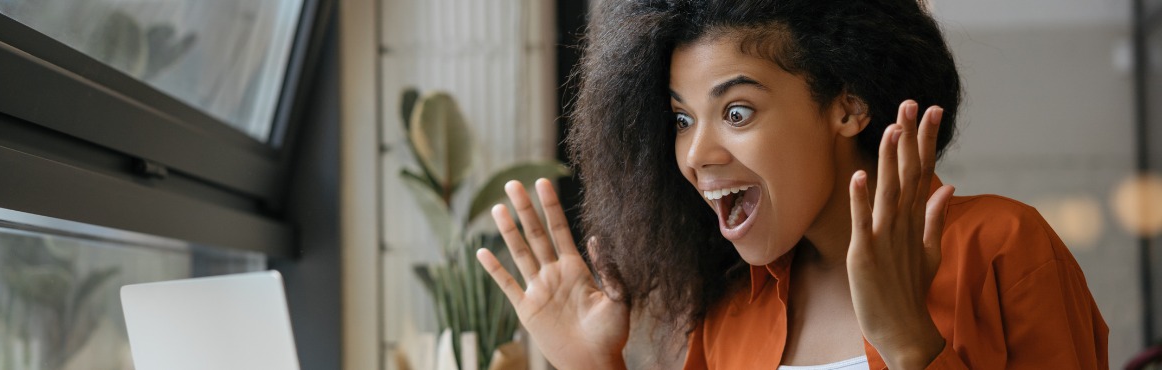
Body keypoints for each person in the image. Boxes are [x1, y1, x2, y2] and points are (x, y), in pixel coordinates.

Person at [475, 0, 1109, 369]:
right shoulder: (728, 314)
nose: (696, 153)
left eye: (738, 112)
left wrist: (910, 345)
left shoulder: (1001, 246)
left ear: (848, 106)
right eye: (681, 119)